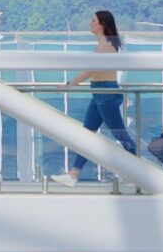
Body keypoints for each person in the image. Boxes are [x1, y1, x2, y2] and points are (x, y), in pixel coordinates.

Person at [51, 11, 137, 187]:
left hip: (106, 94)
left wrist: (70, 84)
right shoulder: (104, 44)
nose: (91, 24)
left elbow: (92, 70)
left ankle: (137, 174)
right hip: (99, 93)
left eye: (93, 21)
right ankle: (73, 175)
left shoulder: (106, 46)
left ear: (102, 24)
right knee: (87, 136)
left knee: (120, 134)